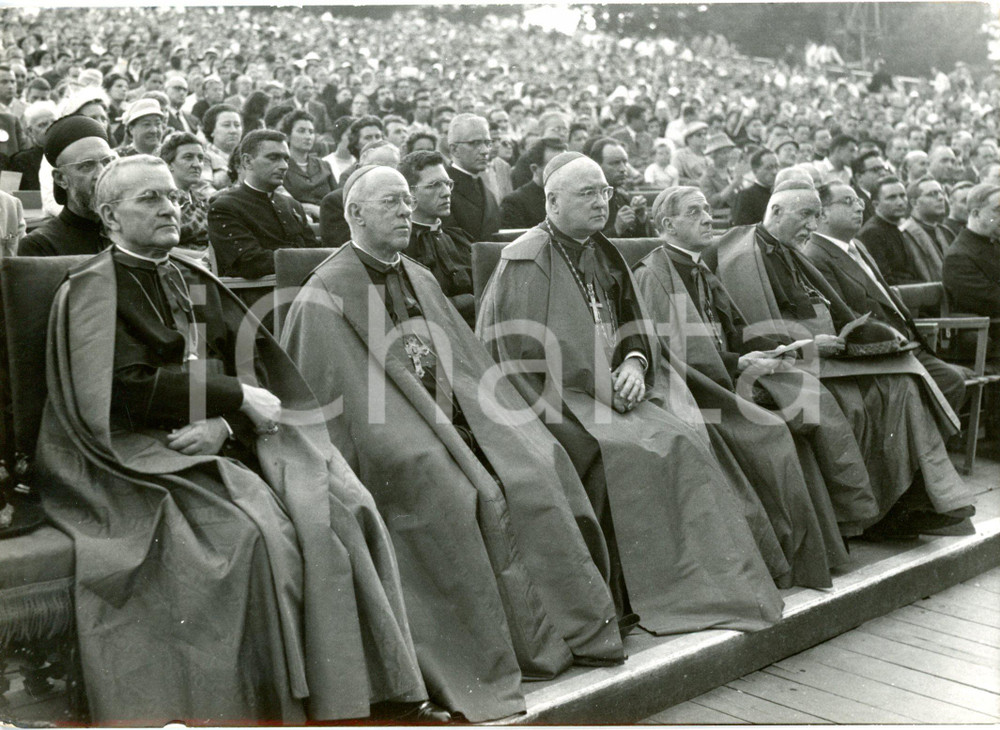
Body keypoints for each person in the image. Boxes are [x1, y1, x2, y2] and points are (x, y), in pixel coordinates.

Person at [38, 154, 438, 725]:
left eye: (172, 196)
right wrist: (228, 401)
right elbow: (122, 388)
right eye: (149, 198)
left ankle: (369, 692)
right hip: (141, 450)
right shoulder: (92, 289)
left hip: (225, 434)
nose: (169, 208)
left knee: (345, 506)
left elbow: (247, 361)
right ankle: (282, 707)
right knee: (256, 537)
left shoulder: (188, 276)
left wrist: (225, 421)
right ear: (108, 214)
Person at [281, 164, 624, 722]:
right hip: (393, 435)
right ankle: (475, 662)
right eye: (390, 202)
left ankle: (571, 631)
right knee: (447, 488)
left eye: (404, 201)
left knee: (537, 463)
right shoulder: (326, 290)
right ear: (354, 214)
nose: (403, 212)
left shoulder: (418, 275)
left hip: (458, 416)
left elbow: (465, 366)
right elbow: (334, 399)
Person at [477, 151, 785, 636]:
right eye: (587, 193)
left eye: (604, 191)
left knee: (683, 436)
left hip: (618, 389)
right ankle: (623, 598)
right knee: (615, 454)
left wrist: (637, 363)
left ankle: (693, 582)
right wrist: (606, 384)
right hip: (551, 397)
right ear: (551, 201)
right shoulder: (526, 259)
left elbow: (635, 324)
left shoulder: (603, 251)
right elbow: (518, 356)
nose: (602, 201)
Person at [703, 180, 974, 540]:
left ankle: (910, 503)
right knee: (863, 399)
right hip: (789, 361)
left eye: (817, 216)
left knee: (905, 383)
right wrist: (808, 344)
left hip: (828, 354)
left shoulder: (791, 248)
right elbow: (751, 331)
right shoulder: (741, 256)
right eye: (806, 215)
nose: (813, 227)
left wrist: (864, 334)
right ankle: (866, 515)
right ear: (776, 212)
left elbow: (841, 311)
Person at [634, 186, 859, 587]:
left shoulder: (699, 267)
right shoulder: (654, 274)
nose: (708, 218)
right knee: (775, 435)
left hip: (727, 376)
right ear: (668, 225)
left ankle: (822, 541)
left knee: (808, 404)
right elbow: (672, 356)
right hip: (696, 391)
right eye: (694, 212)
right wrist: (739, 362)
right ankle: (785, 555)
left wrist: (784, 349)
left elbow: (738, 331)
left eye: (707, 208)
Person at [804, 181, 968, 410]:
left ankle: (923, 445)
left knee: (951, 382)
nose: (860, 208)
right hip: (878, 351)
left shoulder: (857, 246)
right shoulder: (815, 255)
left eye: (859, 201)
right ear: (823, 213)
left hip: (905, 344)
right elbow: (841, 316)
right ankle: (921, 446)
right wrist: (890, 338)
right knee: (948, 383)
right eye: (848, 202)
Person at [207, 129, 317, 279]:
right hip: (258, 295)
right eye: (273, 158)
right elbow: (250, 263)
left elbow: (314, 249)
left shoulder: (292, 205)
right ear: (247, 161)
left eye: (286, 159)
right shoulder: (225, 207)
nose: (284, 166)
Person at [398, 150, 476, 326]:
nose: (446, 192)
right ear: (410, 193)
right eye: (435, 185)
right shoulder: (401, 247)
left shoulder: (460, 239)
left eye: (448, 184)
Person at [19, 115, 115, 257]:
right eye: (87, 165)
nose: (101, 174)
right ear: (61, 178)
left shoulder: (132, 231)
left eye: (107, 162)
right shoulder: (40, 246)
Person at [943, 182, 1000, 355]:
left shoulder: (994, 243)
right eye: (998, 210)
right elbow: (992, 301)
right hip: (985, 335)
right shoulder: (959, 256)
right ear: (976, 213)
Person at [319, 139, 400, 248]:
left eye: (391, 171)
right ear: (358, 169)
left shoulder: (404, 202)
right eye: (376, 169)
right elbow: (342, 249)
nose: (383, 176)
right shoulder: (336, 202)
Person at [857, 176, 931, 285]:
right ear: (875, 204)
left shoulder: (895, 226)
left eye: (902, 196)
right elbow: (885, 280)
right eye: (892, 198)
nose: (900, 202)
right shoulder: (872, 233)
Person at [441, 113, 500, 241]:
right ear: (454, 149)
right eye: (475, 143)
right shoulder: (442, 189)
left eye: (487, 143)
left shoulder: (487, 192)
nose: (485, 151)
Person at [158, 131, 211, 261]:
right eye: (188, 157)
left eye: (200, 158)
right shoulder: (161, 201)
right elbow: (156, 247)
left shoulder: (204, 200)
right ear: (169, 164)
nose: (197, 164)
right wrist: (202, 256)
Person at [585, 137, 651, 237]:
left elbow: (641, 243)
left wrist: (641, 219)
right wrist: (616, 229)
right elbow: (585, 246)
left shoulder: (621, 196)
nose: (623, 169)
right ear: (597, 165)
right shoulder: (586, 200)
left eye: (625, 162)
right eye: (615, 163)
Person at [280, 109, 336, 221]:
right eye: (301, 131)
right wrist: (308, 208)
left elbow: (337, 198)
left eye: (311, 132)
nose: (308, 136)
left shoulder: (323, 165)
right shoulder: (281, 166)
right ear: (288, 136)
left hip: (328, 222)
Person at [500, 137, 567, 230]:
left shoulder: (572, 197)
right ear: (534, 169)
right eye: (555, 167)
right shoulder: (515, 203)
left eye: (566, 166)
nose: (563, 172)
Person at [902, 176, 955, 261]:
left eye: (941, 193)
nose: (941, 198)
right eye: (932, 194)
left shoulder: (946, 232)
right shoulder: (904, 236)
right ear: (914, 203)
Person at [9, 99, 56, 190]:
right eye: (42, 125)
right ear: (29, 132)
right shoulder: (18, 161)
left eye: (54, 122)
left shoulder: (70, 155)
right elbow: (7, 196)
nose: (50, 127)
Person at [731, 148, 780, 226]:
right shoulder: (745, 196)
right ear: (755, 171)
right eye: (769, 168)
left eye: (777, 167)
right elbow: (742, 230)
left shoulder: (781, 193)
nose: (775, 172)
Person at [200, 103, 242, 193]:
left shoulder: (247, 156)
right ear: (212, 131)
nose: (233, 131)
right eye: (226, 125)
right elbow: (203, 189)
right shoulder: (205, 156)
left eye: (237, 125)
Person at [698, 133, 742, 214]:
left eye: (729, 152)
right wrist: (732, 186)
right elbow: (712, 202)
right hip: (720, 218)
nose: (727, 156)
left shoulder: (732, 172)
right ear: (713, 155)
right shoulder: (707, 177)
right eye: (723, 153)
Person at [673, 121, 709, 186]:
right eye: (699, 135)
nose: (703, 137)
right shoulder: (680, 155)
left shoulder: (708, 155)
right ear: (688, 139)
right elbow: (676, 178)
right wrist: (695, 182)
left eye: (705, 134)